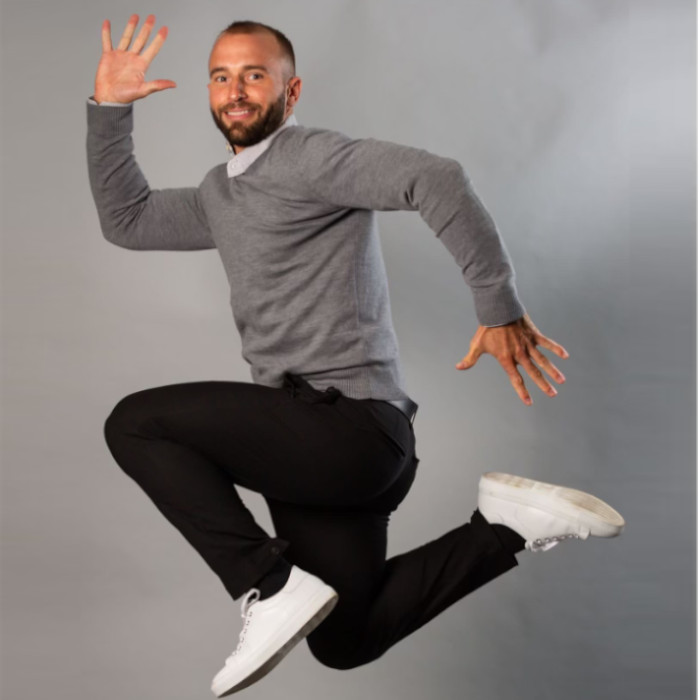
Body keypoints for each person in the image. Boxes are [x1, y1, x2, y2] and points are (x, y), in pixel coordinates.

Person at [87, 14, 625, 698]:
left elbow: (436, 177)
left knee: (136, 422)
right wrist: (109, 109)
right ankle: (506, 529)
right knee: (346, 639)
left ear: (292, 90)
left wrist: (498, 306)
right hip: (325, 455)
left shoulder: (307, 158)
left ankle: (265, 583)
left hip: (347, 430)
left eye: (255, 74)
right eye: (221, 77)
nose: (236, 91)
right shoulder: (223, 195)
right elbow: (127, 220)